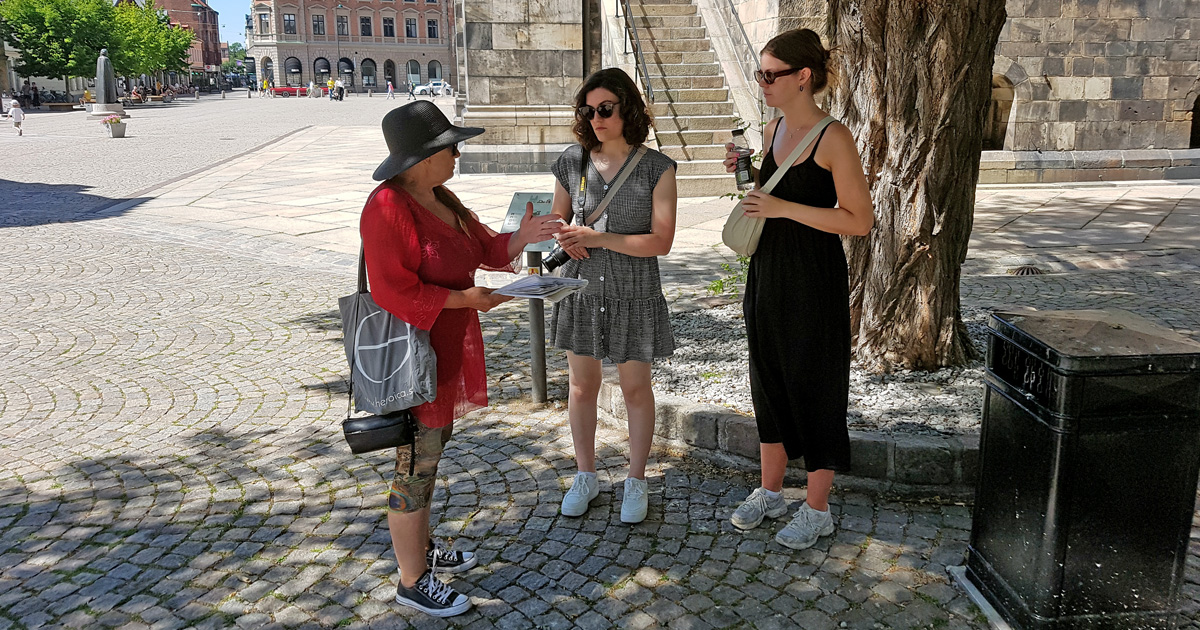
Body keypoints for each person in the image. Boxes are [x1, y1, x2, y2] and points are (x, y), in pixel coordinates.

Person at [360, 101, 560, 617]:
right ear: (424, 156)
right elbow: (390, 289)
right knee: (414, 466)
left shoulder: (439, 195)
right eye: (451, 146)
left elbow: (487, 249)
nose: (457, 153)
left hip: (444, 352)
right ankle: (410, 581)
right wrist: (463, 300)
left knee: (430, 454)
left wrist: (524, 236)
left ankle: (423, 552)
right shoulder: (388, 206)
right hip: (414, 357)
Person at [722, 28, 874, 550]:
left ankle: (817, 508)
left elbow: (860, 221)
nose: (762, 83)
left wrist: (783, 206)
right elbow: (766, 201)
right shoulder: (771, 131)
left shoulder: (834, 138)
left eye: (770, 74)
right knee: (767, 378)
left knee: (815, 383)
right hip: (767, 271)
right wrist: (746, 177)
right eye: (760, 75)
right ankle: (769, 490)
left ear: (802, 77)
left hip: (813, 277)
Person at [548, 68, 678, 525]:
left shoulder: (656, 168)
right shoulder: (571, 161)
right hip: (581, 292)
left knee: (635, 389)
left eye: (606, 108)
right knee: (582, 387)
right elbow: (557, 221)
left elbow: (661, 241)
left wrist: (600, 239)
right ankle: (585, 475)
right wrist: (564, 236)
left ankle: (636, 479)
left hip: (633, 292)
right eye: (589, 110)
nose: (596, 118)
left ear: (628, 109)